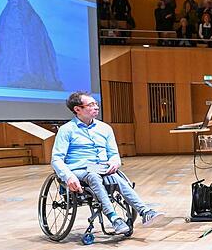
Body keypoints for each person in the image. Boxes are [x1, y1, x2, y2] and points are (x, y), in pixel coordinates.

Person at [51, 92, 164, 234]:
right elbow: (56, 159)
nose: (96, 107)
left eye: (96, 104)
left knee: (115, 177)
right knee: (93, 176)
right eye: (91, 105)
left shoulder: (105, 128)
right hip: (77, 169)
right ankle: (114, 218)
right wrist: (68, 176)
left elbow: (114, 153)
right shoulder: (66, 130)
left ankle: (145, 211)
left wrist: (115, 162)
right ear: (77, 109)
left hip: (99, 167)